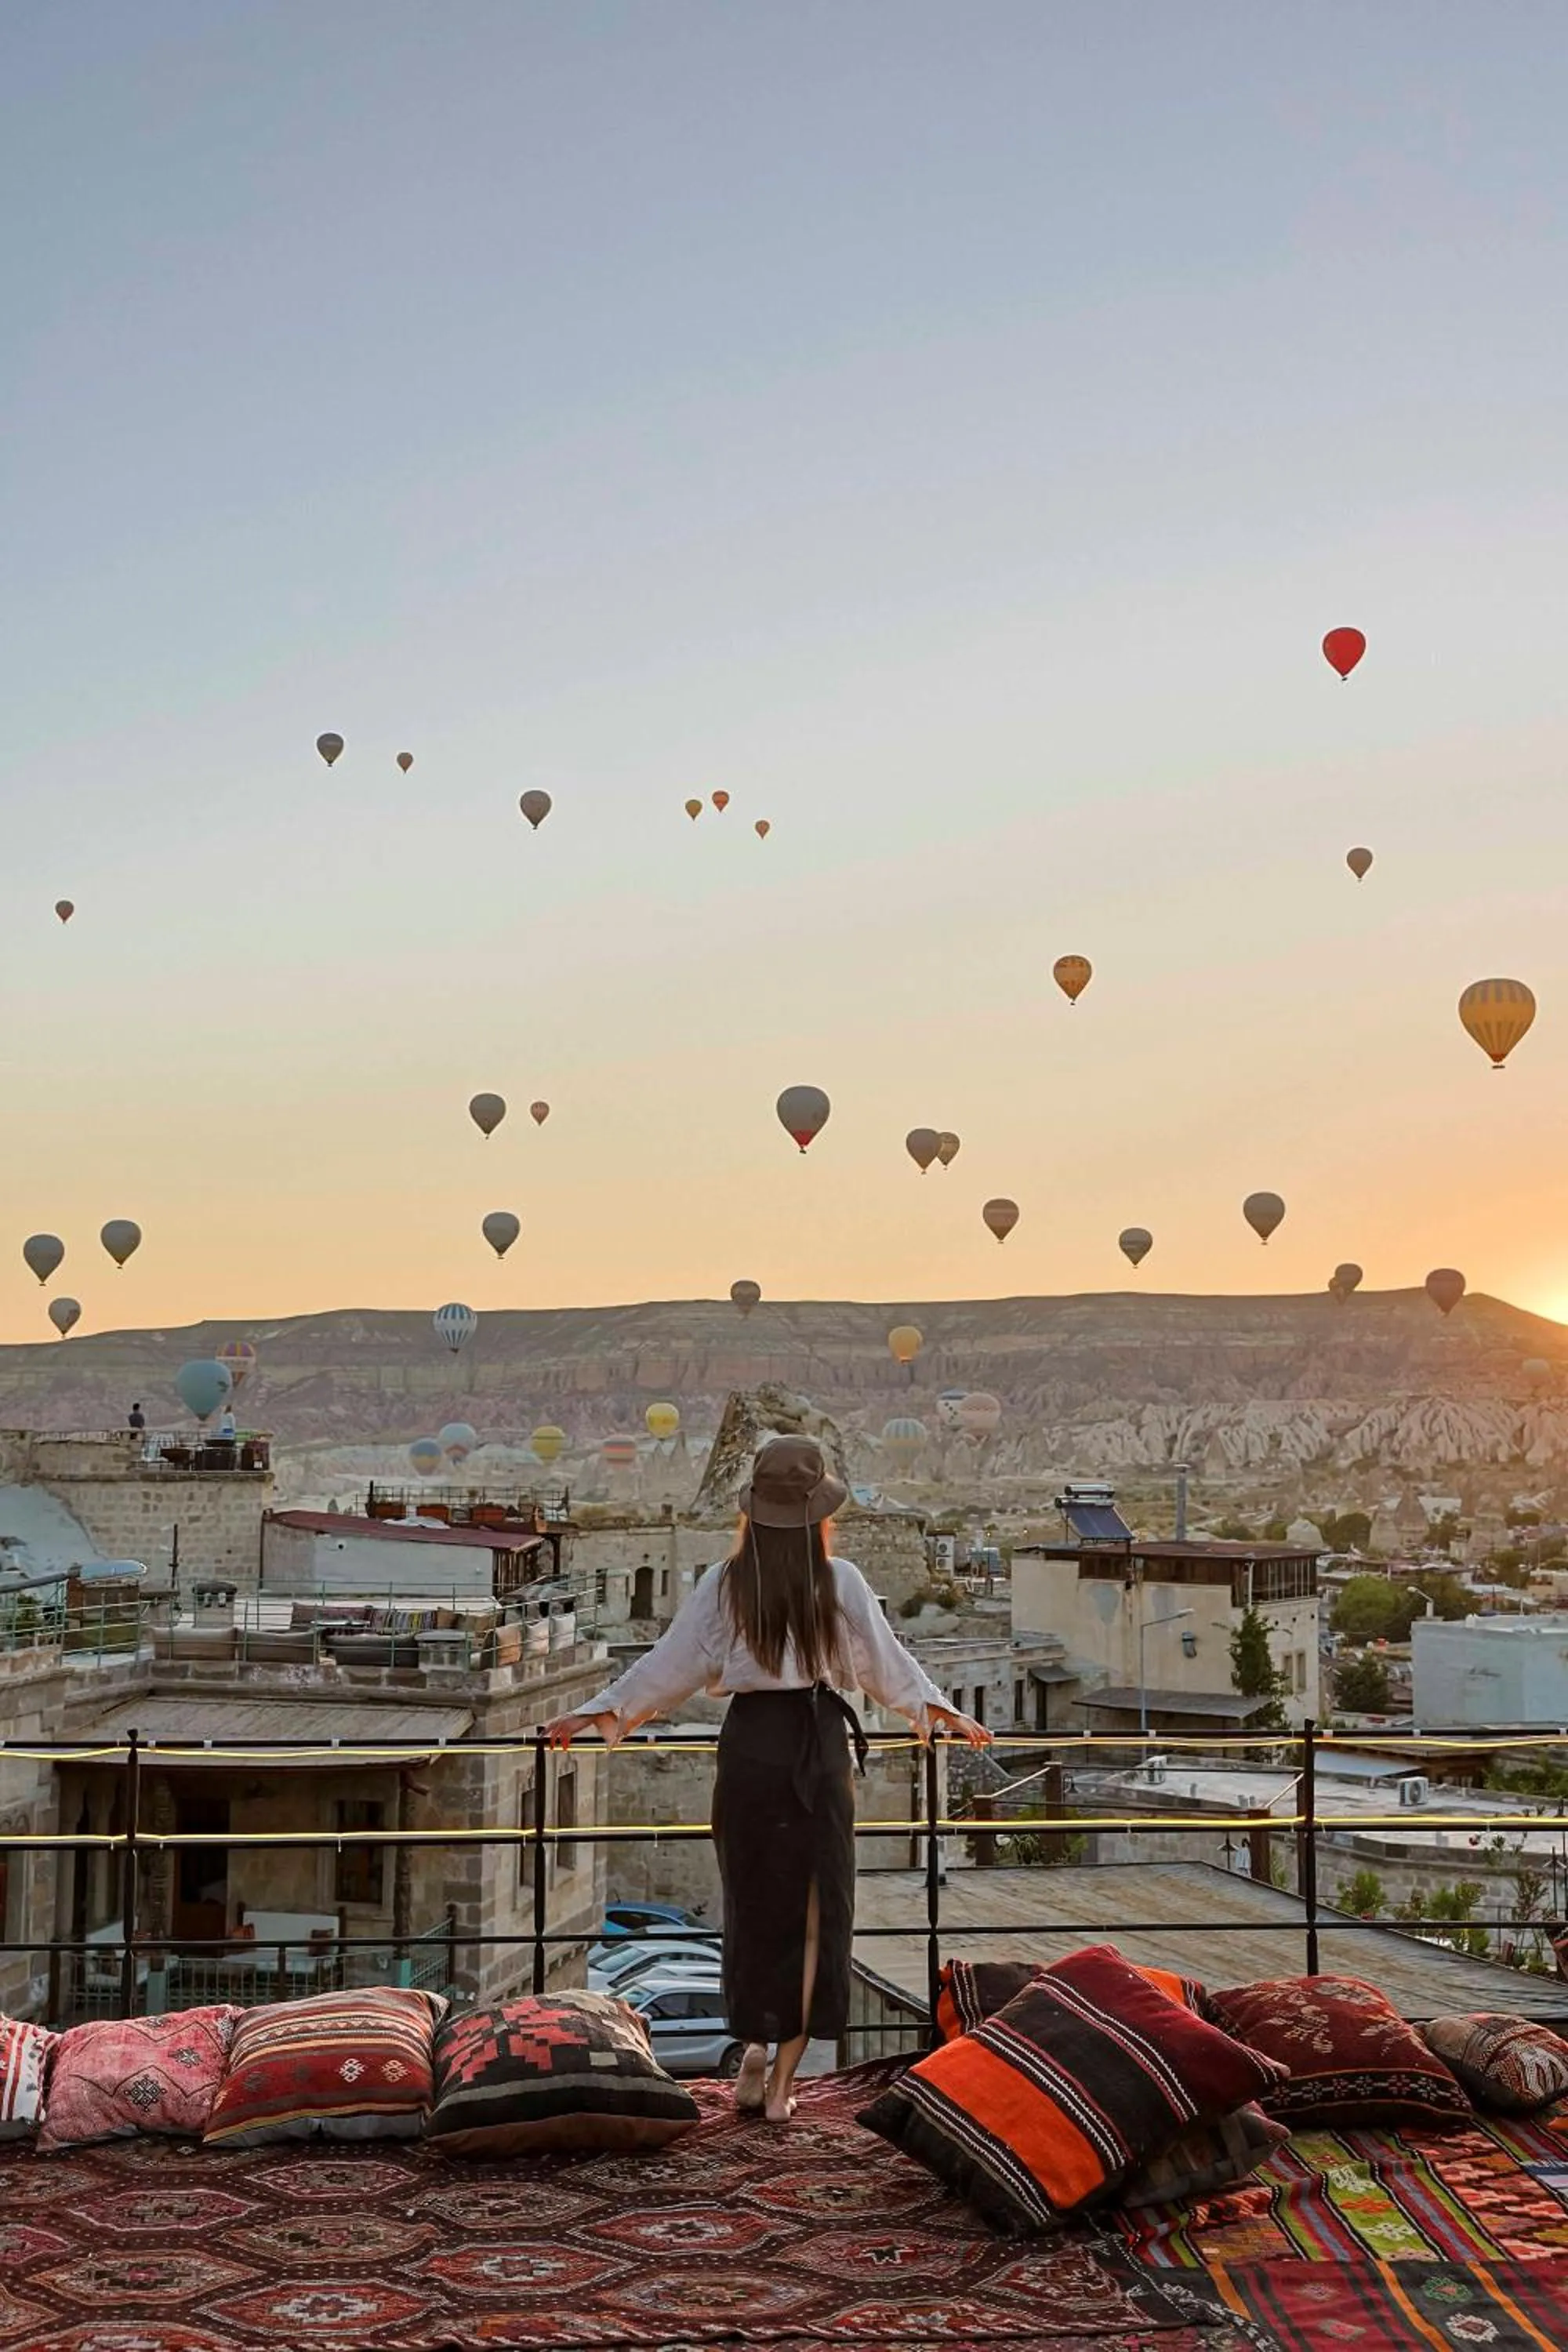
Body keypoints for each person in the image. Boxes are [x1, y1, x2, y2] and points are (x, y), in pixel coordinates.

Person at [546, 1435, 989, 2123]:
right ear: (819, 1515)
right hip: (817, 1743)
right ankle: (782, 2081)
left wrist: (600, 1712)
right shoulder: (838, 1580)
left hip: (750, 1747)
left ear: (752, 1513)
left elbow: (669, 1665)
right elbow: (885, 1662)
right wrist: (939, 1711)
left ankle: (753, 2043)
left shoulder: (723, 1583)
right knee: (820, 1913)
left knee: (754, 1908)